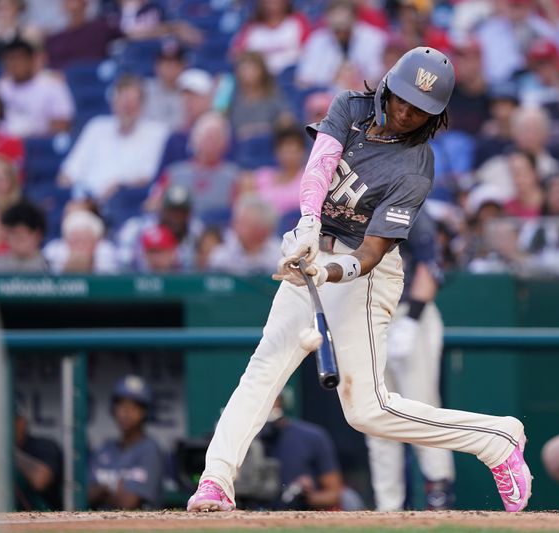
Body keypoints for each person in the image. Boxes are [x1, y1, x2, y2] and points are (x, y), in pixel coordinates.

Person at [186, 46, 531, 514]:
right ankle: (216, 479)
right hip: (313, 245)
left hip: (361, 274)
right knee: (264, 366)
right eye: (401, 99)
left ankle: (497, 438)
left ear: (435, 116)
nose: (405, 113)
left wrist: (326, 270)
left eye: (419, 109)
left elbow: (372, 253)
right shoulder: (351, 105)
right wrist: (307, 226)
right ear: (387, 86)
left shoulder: (416, 166)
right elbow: (320, 164)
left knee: (367, 410)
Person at [366, 211, 455, 511]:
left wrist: (412, 320)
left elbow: (431, 266)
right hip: (371, 317)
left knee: (422, 408)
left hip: (409, 316)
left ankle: (438, 492)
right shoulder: (355, 204)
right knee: (375, 416)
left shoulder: (410, 205)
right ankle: (387, 506)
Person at [57, 74, 169, 204]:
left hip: (127, 202)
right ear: (113, 104)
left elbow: (151, 177)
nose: (127, 108)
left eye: (132, 102)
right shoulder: (96, 126)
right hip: (85, 201)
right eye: (123, 102)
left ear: (142, 105)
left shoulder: (158, 133)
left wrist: (119, 187)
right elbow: (67, 173)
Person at [88, 375, 164, 510]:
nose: (126, 412)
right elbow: (87, 495)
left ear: (145, 412)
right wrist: (113, 491)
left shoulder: (150, 450)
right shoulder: (105, 448)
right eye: (121, 405)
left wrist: (104, 490)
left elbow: (128, 503)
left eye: (134, 407)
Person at [295, 0, 387, 89]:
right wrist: (333, 78)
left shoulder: (374, 38)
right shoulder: (317, 40)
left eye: (344, 26)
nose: (341, 32)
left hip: (365, 94)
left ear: (354, 19)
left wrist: (357, 80)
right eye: (337, 28)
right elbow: (304, 79)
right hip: (328, 96)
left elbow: (379, 74)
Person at [116, 184, 204, 273]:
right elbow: (123, 265)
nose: (176, 217)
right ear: (162, 210)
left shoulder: (197, 230)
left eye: (182, 212)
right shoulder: (136, 228)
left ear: (189, 213)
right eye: (172, 211)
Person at [0, 38, 74, 138]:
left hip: (38, 145)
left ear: (32, 60)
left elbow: (62, 124)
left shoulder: (52, 84)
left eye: (18, 58)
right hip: (3, 147)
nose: (14, 64)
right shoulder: (1, 87)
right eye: (10, 59)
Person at [229, 0, 309, 77]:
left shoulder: (298, 21)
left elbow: (310, 48)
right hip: (261, 81)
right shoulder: (251, 27)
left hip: (292, 77)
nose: (271, 4)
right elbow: (236, 54)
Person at [207, 194, 280, 275]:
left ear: (262, 230)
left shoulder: (281, 255)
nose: (235, 226)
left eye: (243, 223)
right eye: (237, 222)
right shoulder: (222, 255)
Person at [228, 51, 292, 142]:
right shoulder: (232, 97)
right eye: (244, 69)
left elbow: (286, 120)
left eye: (252, 68)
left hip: (269, 143)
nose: (248, 73)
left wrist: (263, 130)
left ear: (262, 71)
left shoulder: (274, 95)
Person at [44, 0, 123, 70]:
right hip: (62, 82)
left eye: (76, 1)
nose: (73, 6)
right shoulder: (55, 40)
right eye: (68, 1)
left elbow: (128, 35)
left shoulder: (101, 28)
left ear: (85, 3)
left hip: (95, 79)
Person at [13, 405, 62, 510]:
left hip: (46, 517)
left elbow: (41, 480)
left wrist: (7, 451)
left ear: (22, 422)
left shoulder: (43, 446)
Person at [43, 208, 118, 274]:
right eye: (76, 241)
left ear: (96, 243)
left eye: (85, 241)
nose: (80, 246)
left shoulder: (106, 252)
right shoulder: (53, 251)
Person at [141, 40, 187, 131]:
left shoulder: (190, 90)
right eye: (166, 63)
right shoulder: (143, 89)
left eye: (175, 63)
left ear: (183, 66)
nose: (170, 67)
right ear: (156, 66)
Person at [0, 200, 47, 272]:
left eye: (21, 236)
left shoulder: (52, 269)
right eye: (12, 234)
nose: (15, 240)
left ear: (37, 235)